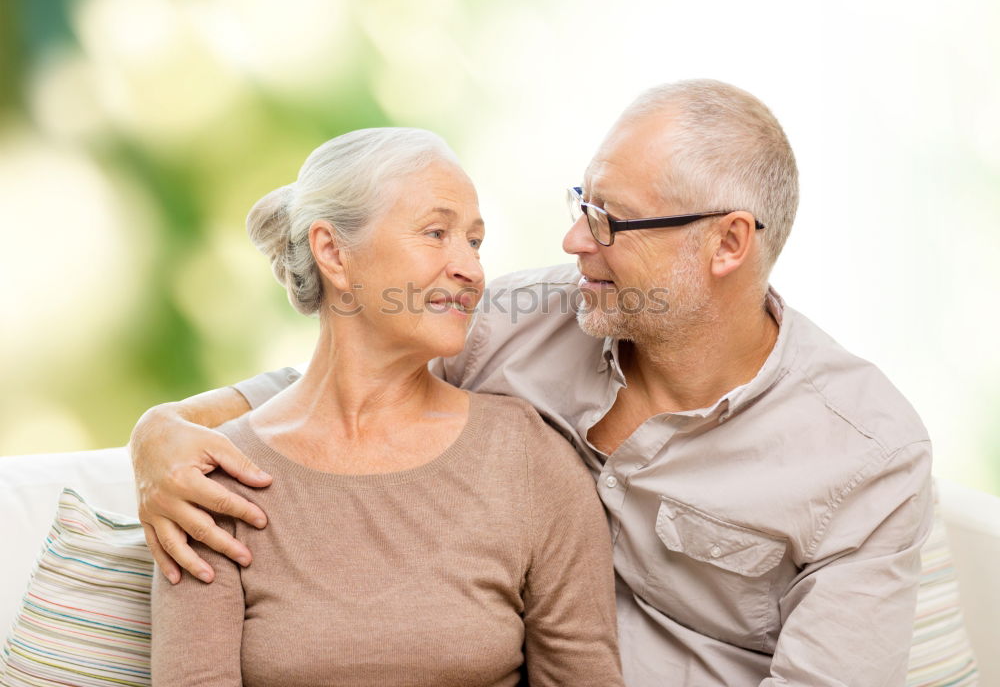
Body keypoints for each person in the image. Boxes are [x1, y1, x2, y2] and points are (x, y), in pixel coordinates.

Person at [134, 80, 933, 686]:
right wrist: (161, 432)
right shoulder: (530, 317)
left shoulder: (865, 457)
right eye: (583, 201)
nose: (573, 239)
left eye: (611, 219)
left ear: (726, 245)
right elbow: (350, 386)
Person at [148, 127, 624, 686]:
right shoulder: (211, 481)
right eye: (435, 232)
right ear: (333, 253)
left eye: (474, 241)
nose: (470, 269)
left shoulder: (527, 458)